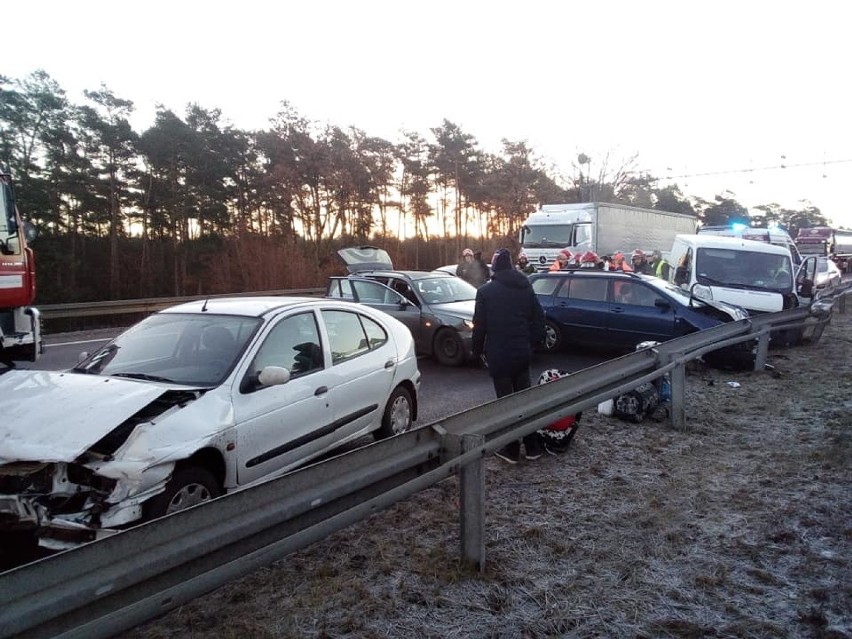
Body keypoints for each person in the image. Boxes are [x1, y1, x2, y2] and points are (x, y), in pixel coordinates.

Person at [472, 248, 546, 464]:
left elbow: (479, 327)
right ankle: (532, 446)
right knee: (525, 400)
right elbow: (539, 318)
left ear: (494, 268)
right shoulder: (526, 287)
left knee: (506, 404)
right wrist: (532, 344)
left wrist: (476, 352)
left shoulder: (486, 292)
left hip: (499, 355)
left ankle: (512, 449)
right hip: (522, 353)